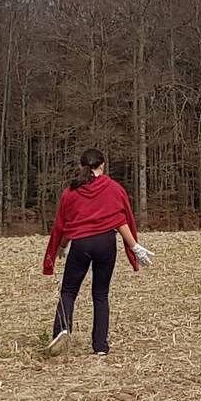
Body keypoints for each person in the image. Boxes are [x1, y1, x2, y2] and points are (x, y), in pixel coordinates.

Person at [42, 148, 154, 356]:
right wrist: (134, 247)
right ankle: (100, 346)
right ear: (102, 165)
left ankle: (61, 331)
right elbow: (120, 220)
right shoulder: (113, 188)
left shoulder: (71, 191)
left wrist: (62, 246)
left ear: (81, 166)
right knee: (100, 294)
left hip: (81, 244)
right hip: (105, 244)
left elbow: (64, 224)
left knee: (68, 291)